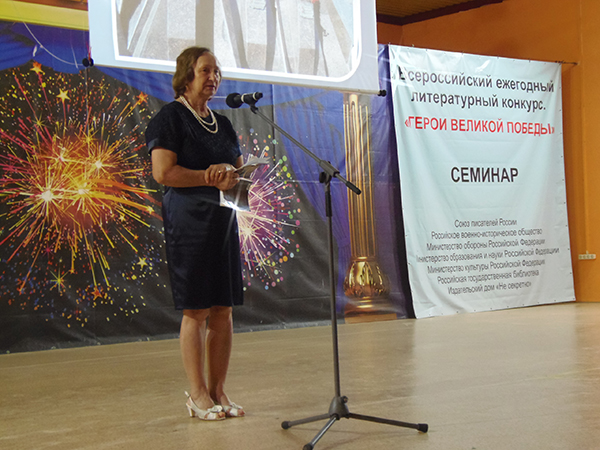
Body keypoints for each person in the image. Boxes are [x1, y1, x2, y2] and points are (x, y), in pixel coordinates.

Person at [145, 47, 245, 421]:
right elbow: (163, 173)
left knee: (223, 309)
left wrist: (236, 177)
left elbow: (238, 171)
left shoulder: (223, 123)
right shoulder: (170, 118)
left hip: (223, 222)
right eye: (205, 70)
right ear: (186, 75)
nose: (213, 77)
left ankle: (218, 390)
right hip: (189, 222)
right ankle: (198, 394)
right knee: (197, 309)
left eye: (217, 71)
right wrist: (207, 176)